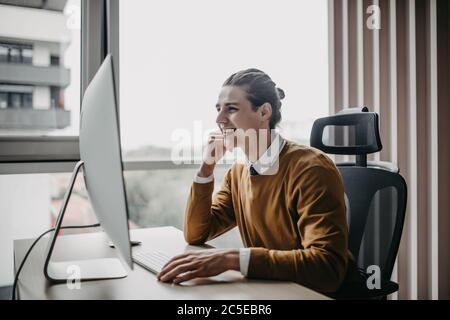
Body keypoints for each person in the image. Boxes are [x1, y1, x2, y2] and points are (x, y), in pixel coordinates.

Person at [157, 68, 360, 295]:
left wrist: (233, 259)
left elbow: (326, 269)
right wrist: (207, 166)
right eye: (218, 109)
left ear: (264, 112)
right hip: (271, 289)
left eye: (231, 109)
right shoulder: (239, 172)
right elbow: (197, 233)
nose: (219, 119)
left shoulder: (311, 168)